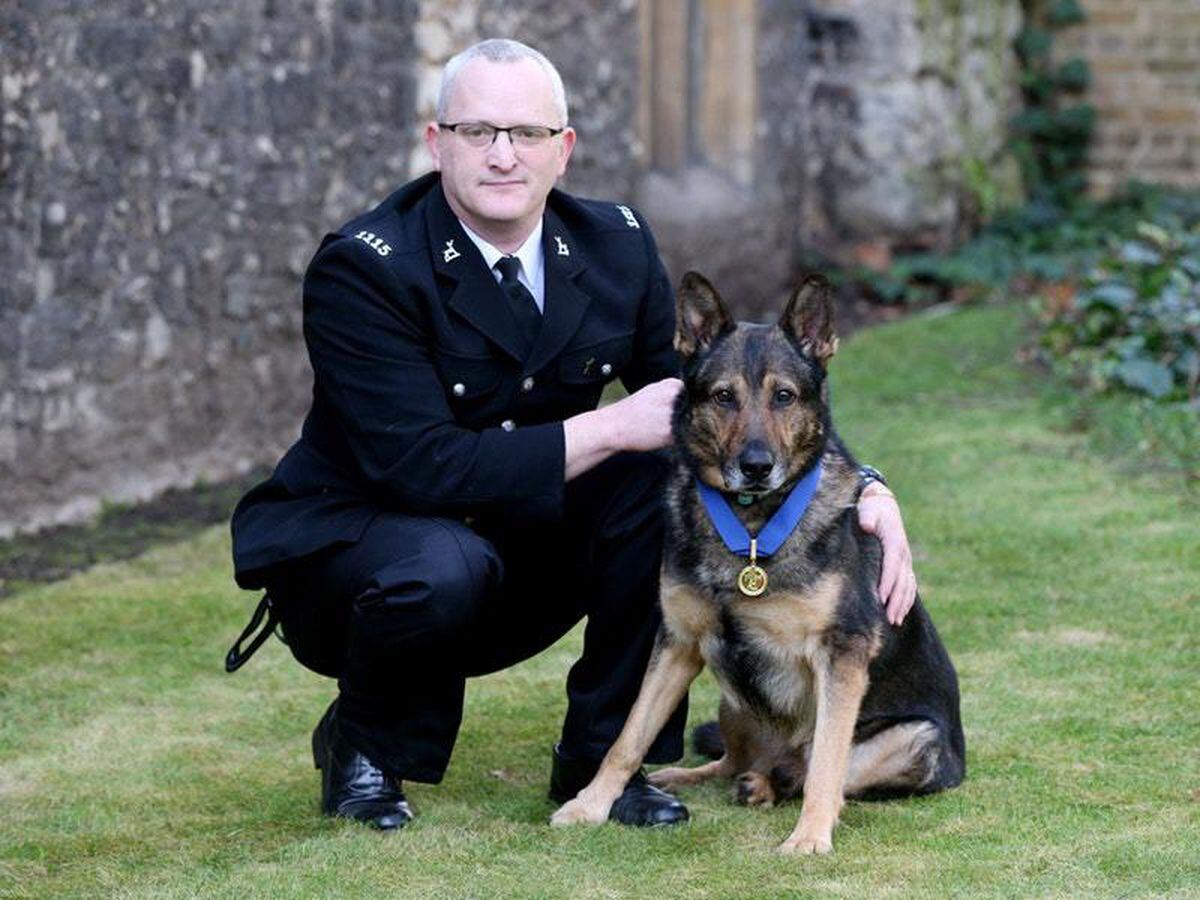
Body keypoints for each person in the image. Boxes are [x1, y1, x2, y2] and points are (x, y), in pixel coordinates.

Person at [228, 38, 918, 831]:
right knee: (444, 560)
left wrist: (866, 490)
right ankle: (364, 745)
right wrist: (602, 426)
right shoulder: (366, 268)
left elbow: (720, 405)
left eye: (527, 134)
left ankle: (601, 764)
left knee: (650, 484)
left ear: (564, 150)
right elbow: (416, 467)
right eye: (477, 131)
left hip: (513, 551)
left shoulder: (613, 245)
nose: (502, 156)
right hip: (360, 565)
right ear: (435, 143)